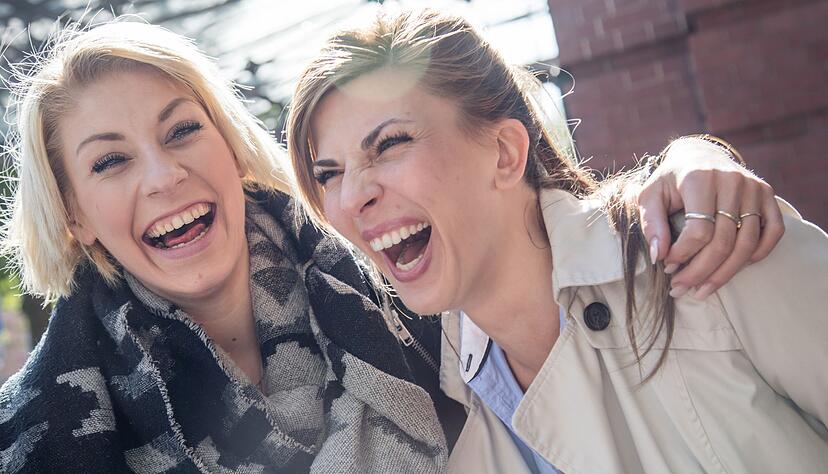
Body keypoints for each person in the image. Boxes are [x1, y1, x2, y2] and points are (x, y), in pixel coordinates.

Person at [0, 15, 785, 474]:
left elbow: (529, 238)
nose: (164, 175)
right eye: (109, 162)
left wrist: (690, 164)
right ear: (73, 217)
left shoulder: (414, 299)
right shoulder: (43, 434)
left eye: (181, 132)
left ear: (231, 150)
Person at [286, 9, 828, 473]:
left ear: (504, 153)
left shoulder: (710, 249)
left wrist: (698, 151)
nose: (351, 197)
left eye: (389, 144)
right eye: (329, 174)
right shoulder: (433, 408)